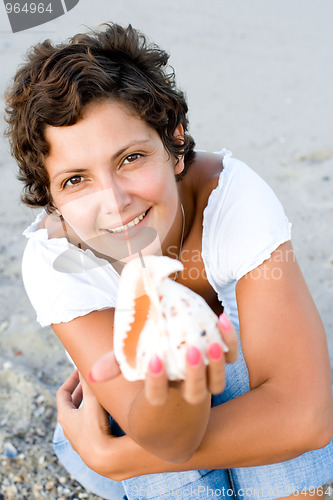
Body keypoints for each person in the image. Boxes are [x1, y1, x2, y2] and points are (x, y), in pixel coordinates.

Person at [5, 23, 333, 500]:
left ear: (174, 145)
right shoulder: (56, 262)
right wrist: (176, 384)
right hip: (137, 416)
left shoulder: (230, 199)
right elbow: (156, 430)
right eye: (76, 180)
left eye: (131, 158)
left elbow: (306, 418)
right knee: (157, 441)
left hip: (219, 406)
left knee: (235, 356)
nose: (115, 202)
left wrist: (114, 457)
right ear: (51, 198)